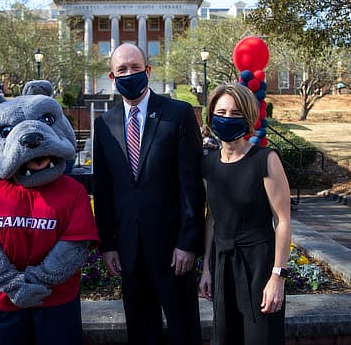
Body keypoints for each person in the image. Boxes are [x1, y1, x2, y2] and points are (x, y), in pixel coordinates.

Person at [93, 43, 205, 345]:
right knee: (142, 332)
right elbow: (102, 189)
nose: (129, 74)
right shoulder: (103, 124)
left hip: (173, 252)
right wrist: (107, 245)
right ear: (113, 77)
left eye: (135, 67)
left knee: (183, 330)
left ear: (148, 70)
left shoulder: (177, 114)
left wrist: (187, 243)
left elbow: (191, 184)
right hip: (129, 251)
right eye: (122, 70)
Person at [198, 83, 292, 345]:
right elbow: (212, 218)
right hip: (223, 263)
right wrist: (206, 268)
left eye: (236, 113)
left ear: (248, 117)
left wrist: (277, 277)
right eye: (222, 112)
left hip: (259, 266)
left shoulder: (265, 159)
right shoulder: (208, 164)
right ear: (211, 116)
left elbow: (282, 221)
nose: (228, 118)